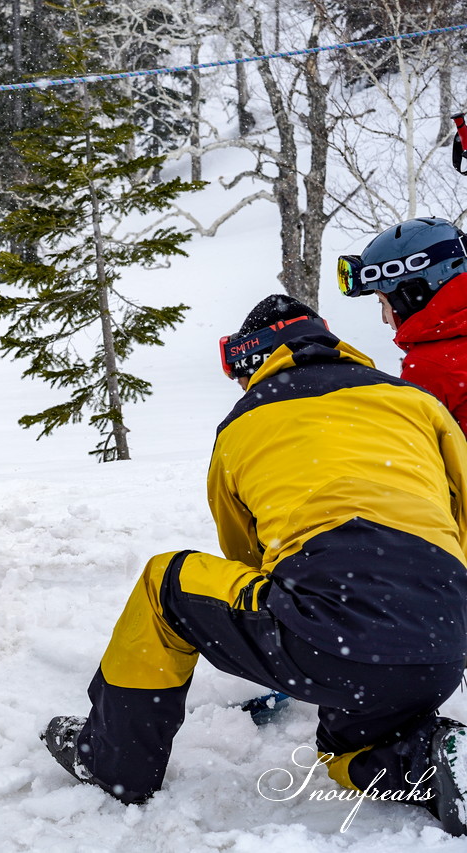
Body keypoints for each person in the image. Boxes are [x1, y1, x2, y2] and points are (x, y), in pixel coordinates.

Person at [43, 294, 467, 833]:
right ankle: (436, 758)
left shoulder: (243, 423)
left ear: (251, 361)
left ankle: (113, 763)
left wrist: (289, 644)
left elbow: (245, 558)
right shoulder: (414, 401)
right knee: (351, 750)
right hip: (443, 642)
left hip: (333, 634)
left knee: (165, 583)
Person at [338, 216, 467, 432]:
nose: (384, 318)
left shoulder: (432, 368)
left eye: (383, 303)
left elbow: (408, 454)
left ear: (411, 296)